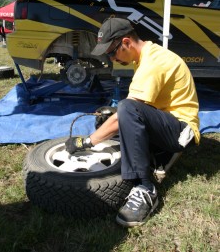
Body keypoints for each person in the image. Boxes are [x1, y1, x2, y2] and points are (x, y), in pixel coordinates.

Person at [65, 17, 200, 227]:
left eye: (111, 52)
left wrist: (86, 142)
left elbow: (129, 111)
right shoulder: (144, 57)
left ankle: (145, 188)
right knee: (107, 117)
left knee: (125, 109)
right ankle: (156, 156)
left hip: (182, 132)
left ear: (126, 42)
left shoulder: (153, 62)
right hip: (167, 122)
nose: (111, 59)